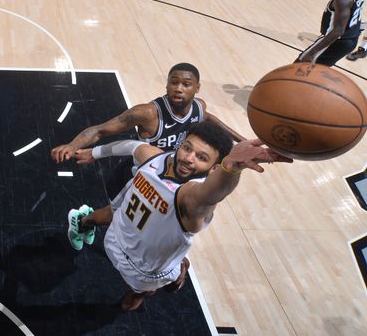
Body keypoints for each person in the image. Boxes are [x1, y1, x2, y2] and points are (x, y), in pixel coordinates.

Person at [66, 122, 290, 311]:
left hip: (143, 269)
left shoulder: (191, 198)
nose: (188, 158)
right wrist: (93, 153)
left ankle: (161, 281)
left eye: (201, 157)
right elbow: (134, 146)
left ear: (214, 167)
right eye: (187, 148)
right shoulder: (156, 159)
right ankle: (85, 222)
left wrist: (232, 167)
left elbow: (211, 194)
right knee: (109, 211)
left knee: (136, 296)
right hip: (116, 235)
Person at [51, 63, 245, 165]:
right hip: (141, 171)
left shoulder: (199, 107)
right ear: (166, 84)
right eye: (173, 82)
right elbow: (100, 130)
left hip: (174, 169)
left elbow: (208, 118)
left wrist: (241, 140)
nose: (178, 88)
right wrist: (72, 145)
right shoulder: (147, 113)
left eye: (186, 84)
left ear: (197, 88)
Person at [298, 0, 365, 65]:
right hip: (350, 40)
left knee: (300, 65)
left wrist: (312, 53)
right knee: (316, 71)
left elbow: (338, 31)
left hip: (336, 40)